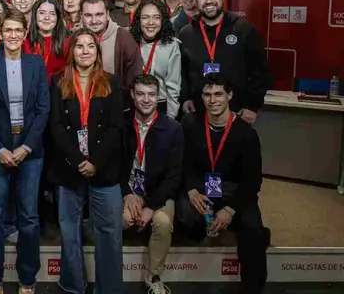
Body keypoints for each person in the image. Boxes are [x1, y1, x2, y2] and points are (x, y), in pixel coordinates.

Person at [0, 9, 49, 294]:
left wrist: (26, 147)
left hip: (30, 150)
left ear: (25, 32)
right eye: (8, 30)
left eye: (18, 30)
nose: (13, 35)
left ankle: (27, 279)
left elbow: (43, 109)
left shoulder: (36, 64)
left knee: (29, 218)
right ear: (1, 33)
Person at [177, 73, 270, 294]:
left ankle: (252, 288)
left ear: (229, 95)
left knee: (253, 232)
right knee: (186, 220)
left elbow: (253, 180)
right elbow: (183, 163)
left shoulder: (246, 134)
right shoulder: (190, 125)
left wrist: (230, 210)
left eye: (218, 94)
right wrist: (190, 190)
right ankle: (204, 226)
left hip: (233, 194)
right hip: (201, 190)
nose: (212, 100)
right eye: (207, 94)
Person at [48, 27, 124, 294]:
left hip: (104, 169)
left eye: (90, 46)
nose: (85, 51)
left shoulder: (112, 83)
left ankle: (110, 288)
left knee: (109, 232)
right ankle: (72, 284)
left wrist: (96, 162)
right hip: (69, 168)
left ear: (98, 51)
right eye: (79, 46)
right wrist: (78, 159)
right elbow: (55, 126)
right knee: (70, 231)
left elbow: (116, 127)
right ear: (72, 52)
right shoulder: (58, 82)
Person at [121, 74, 183, 294]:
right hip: (131, 189)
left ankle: (153, 276)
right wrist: (127, 193)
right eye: (140, 94)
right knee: (123, 220)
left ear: (159, 97)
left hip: (159, 192)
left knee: (163, 222)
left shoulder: (173, 129)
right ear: (132, 96)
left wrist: (151, 206)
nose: (146, 100)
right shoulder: (122, 123)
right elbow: (114, 165)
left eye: (151, 94)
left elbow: (174, 175)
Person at [179, 0, 271, 122]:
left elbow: (260, 72)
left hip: (238, 114)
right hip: (197, 114)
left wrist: (252, 106)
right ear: (196, 1)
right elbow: (182, 73)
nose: (209, 1)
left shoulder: (244, 30)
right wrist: (185, 98)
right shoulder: (185, 34)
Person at [80, 0, 143, 99]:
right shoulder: (75, 39)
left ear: (107, 14)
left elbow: (134, 77)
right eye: (88, 15)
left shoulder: (123, 37)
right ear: (81, 16)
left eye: (99, 14)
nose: (94, 21)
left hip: (114, 104)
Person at [129, 0, 181, 117]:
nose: (150, 22)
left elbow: (174, 87)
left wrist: (171, 118)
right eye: (145, 17)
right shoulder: (129, 42)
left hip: (160, 105)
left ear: (163, 21)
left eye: (156, 17)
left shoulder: (171, 45)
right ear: (138, 20)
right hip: (133, 105)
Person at [23, 0, 70, 80]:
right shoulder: (25, 41)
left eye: (52, 13)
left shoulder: (67, 41)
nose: (47, 18)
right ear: (35, 16)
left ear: (58, 17)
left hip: (58, 90)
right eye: (42, 13)